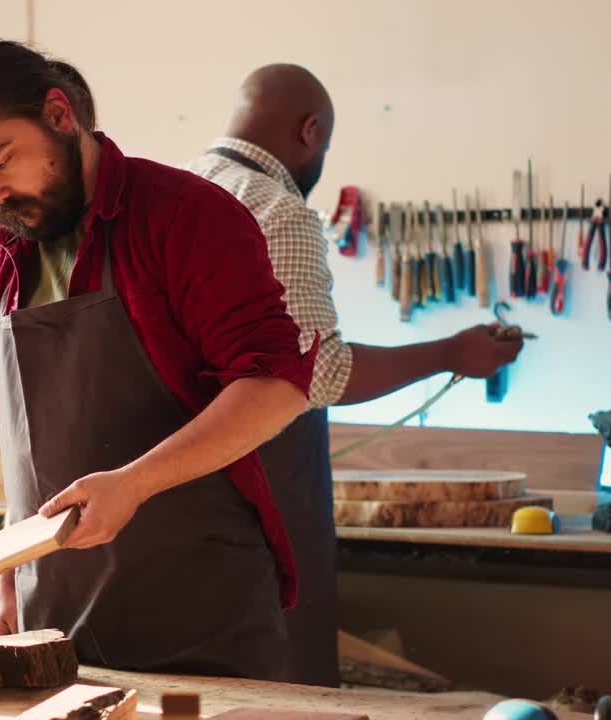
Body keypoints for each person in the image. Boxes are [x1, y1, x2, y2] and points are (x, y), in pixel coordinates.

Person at [0, 40, 317, 681]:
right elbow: (30, 443)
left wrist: (133, 483)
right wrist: (7, 570)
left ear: (59, 115)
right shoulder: (15, 250)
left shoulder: (186, 215)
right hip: (54, 625)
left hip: (195, 623)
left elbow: (276, 386)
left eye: (0, 162)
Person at [184, 64, 525, 686]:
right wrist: (452, 353)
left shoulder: (170, 195)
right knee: (281, 692)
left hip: (172, 523)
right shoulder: (275, 209)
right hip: (258, 526)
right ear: (309, 131)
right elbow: (321, 373)